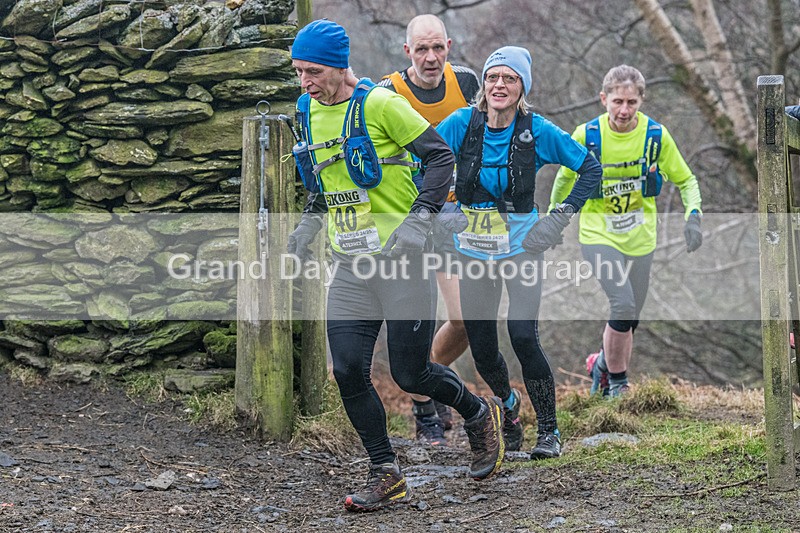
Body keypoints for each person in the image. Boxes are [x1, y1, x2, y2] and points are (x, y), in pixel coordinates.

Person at [286, 19, 505, 512]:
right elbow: (324, 184)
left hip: (403, 262)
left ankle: (476, 413)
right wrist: (305, 229)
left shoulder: (380, 104)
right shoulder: (306, 110)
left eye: (313, 71)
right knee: (346, 369)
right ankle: (386, 470)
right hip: (351, 265)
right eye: (299, 72)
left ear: (339, 67)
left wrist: (418, 221)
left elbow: (440, 157)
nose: (305, 82)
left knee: (411, 374)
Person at [436, 46, 603, 459]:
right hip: (473, 250)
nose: (499, 85)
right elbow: (428, 163)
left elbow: (590, 169)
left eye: (509, 79)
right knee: (482, 346)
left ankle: (549, 431)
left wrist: (558, 218)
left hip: (523, 248)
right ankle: (508, 408)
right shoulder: (461, 123)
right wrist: (446, 208)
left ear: (522, 86)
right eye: (493, 77)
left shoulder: (538, 130)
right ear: (484, 84)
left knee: (523, 335)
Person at [550, 65, 703, 397]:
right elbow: (563, 179)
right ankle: (619, 383)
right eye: (617, 101)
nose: (623, 110)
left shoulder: (655, 137)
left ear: (641, 101)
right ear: (603, 99)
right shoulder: (586, 135)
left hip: (640, 237)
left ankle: (602, 363)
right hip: (597, 234)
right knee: (621, 305)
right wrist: (554, 219)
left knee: (630, 319)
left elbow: (686, 180)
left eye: (631, 102)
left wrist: (693, 216)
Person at [378, 14, 479, 447]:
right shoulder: (386, 92)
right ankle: (425, 409)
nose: (431, 57)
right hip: (409, 222)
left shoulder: (469, 84)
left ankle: (431, 378)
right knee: (411, 321)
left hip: (456, 217)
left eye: (438, 48)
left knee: (466, 319)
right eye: (422, 49)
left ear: (449, 47)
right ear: (407, 52)